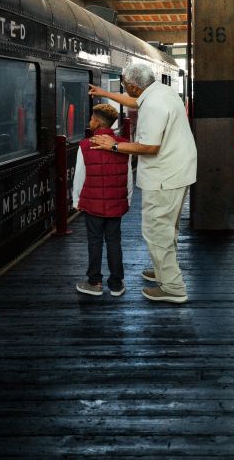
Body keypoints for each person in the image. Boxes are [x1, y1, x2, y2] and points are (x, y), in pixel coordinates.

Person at [88, 62, 196, 304]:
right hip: (177, 171)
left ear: (135, 86)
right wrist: (104, 93)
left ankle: (173, 287)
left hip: (163, 177)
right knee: (168, 229)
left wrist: (113, 145)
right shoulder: (160, 92)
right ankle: (162, 271)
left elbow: (149, 147)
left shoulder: (154, 106)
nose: (125, 91)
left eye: (126, 86)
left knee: (157, 231)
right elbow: (135, 101)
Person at [72, 104, 133, 297]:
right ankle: (116, 284)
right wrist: (127, 199)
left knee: (94, 241)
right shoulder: (123, 145)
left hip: (93, 204)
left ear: (96, 122)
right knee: (114, 241)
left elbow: (79, 177)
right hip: (116, 203)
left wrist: (76, 200)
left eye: (91, 118)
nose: (90, 120)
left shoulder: (84, 145)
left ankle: (94, 282)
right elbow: (128, 177)